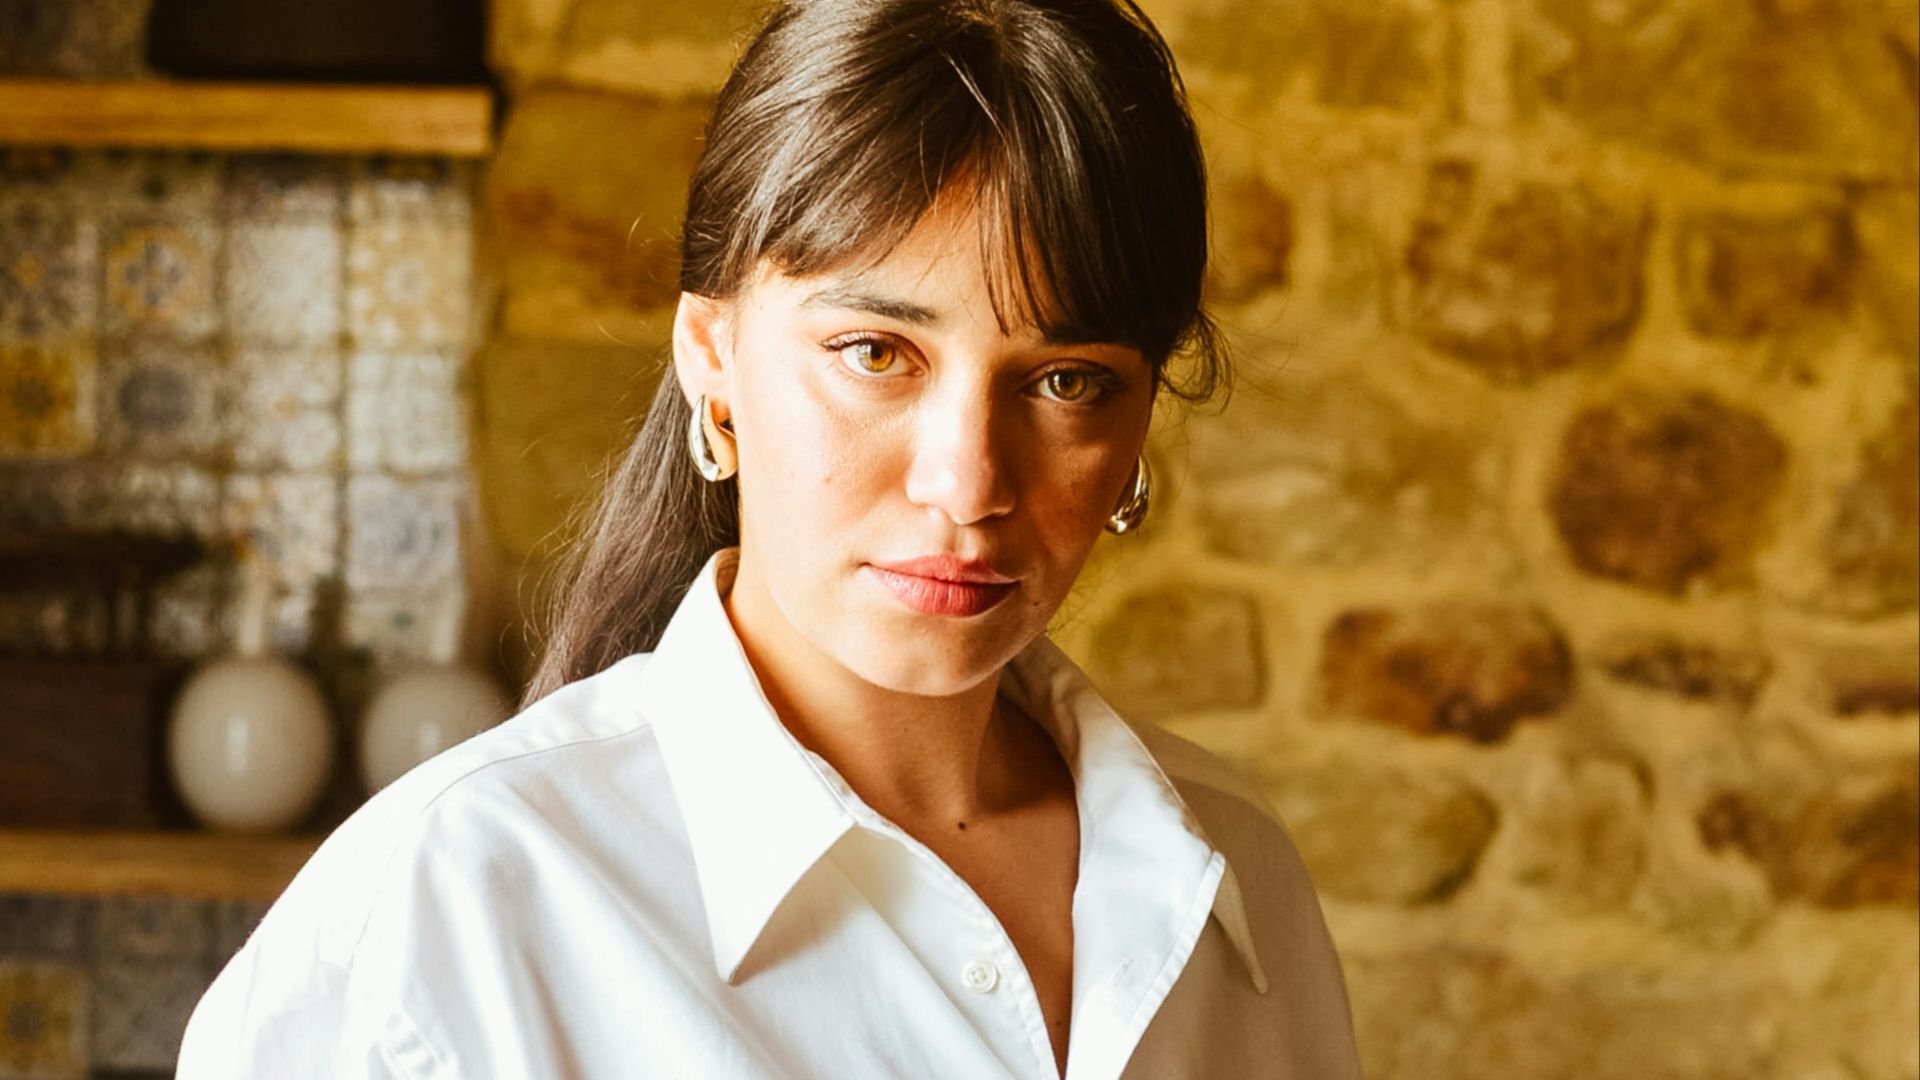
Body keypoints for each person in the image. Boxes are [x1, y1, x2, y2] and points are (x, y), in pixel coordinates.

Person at [176, 0, 1363, 1076]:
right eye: (876, 354)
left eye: (1065, 381)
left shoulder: (1236, 881)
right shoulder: (446, 918)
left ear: (1141, 413)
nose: (967, 484)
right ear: (713, 359)